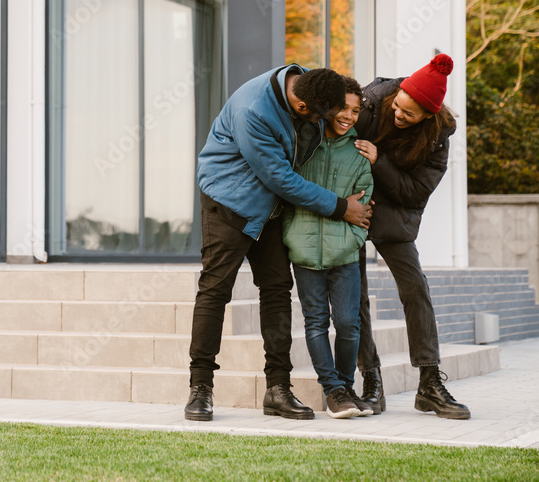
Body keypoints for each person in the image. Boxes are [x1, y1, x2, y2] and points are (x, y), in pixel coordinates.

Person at [184, 65, 372, 422]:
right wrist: (341, 207)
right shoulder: (252, 110)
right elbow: (281, 179)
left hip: (270, 208)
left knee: (276, 290)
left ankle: (278, 389)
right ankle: (200, 388)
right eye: (323, 118)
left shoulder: (309, 85)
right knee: (215, 291)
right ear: (303, 108)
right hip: (230, 205)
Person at [352, 53, 470, 420]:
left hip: (393, 214)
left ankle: (429, 384)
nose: (399, 115)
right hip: (350, 208)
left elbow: (415, 194)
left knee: (415, 288)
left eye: (409, 115)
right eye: (399, 107)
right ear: (397, 93)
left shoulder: (437, 140)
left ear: (428, 117)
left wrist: (379, 162)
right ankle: (371, 381)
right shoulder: (371, 101)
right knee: (353, 295)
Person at [283, 77, 374, 419]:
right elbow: (290, 193)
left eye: (355, 110)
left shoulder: (360, 154)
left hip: (344, 255)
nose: (348, 115)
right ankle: (332, 390)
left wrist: (351, 240)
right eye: (342, 108)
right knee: (316, 322)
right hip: (304, 251)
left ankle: (346, 387)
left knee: (349, 323)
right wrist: (293, 234)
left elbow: (363, 208)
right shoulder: (304, 145)